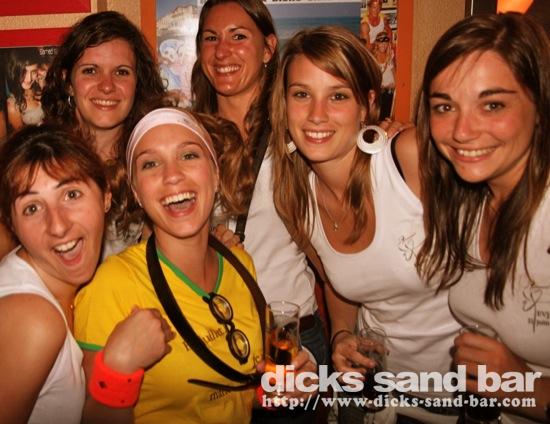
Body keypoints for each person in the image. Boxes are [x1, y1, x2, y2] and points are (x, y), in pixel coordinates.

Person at [74, 107, 315, 423]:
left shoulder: (240, 264)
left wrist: (276, 389)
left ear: (215, 174)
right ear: (136, 192)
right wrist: (119, 368)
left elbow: (236, 390)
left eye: (188, 156)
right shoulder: (110, 286)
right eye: (150, 164)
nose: (172, 175)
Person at [271, 26, 461, 424]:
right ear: (284, 105)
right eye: (301, 94)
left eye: (338, 96)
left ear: (366, 105)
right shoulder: (296, 201)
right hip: (376, 398)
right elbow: (339, 283)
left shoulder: (407, 160)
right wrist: (341, 335)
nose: (316, 114)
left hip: (462, 400)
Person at [415, 13, 550, 423]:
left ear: (539, 106)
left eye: (492, 105)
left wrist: (521, 386)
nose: (461, 131)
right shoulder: (468, 202)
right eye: (445, 107)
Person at [192, 0, 328, 398]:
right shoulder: (186, 137)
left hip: (287, 334)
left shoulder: (299, 131)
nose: (222, 51)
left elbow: (332, 250)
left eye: (238, 36)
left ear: (268, 48)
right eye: (211, 38)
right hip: (215, 334)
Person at [0, 125, 172, 424]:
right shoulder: (34, 320)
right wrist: (118, 367)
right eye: (32, 208)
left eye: (71, 194)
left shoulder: (54, 285)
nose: (58, 225)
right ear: (12, 224)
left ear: (106, 196)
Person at [41, 11, 166, 259]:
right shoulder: (37, 159)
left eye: (121, 72)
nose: (107, 86)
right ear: (68, 82)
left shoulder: (156, 161)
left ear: (137, 82)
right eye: (90, 71)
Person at [6, 48, 45, 131]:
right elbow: (23, 137)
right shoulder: (13, 106)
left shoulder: (39, 87)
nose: (29, 79)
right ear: (14, 72)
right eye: (24, 72)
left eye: (33, 72)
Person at [372, 31, 395, 120]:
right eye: (381, 43)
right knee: (378, 116)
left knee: (387, 117)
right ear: (377, 43)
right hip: (379, 90)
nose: (383, 46)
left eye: (385, 43)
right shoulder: (373, 57)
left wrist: (396, 86)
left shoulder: (390, 55)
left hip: (390, 90)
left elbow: (394, 71)